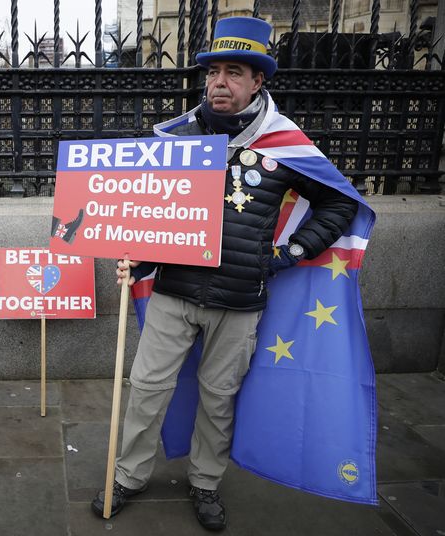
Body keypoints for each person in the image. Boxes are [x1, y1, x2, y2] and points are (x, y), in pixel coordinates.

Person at [90, 16, 359, 531]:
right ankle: (127, 475)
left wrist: (290, 252)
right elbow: (153, 217)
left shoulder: (285, 145)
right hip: (174, 291)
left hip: (240, 300)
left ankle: (206, 483)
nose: (219, 83)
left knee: (218, 399)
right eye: (213, 72)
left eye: (234, 73)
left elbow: (338, 204)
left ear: (258, 81)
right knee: (146, 387)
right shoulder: (177, 139)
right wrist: (139, 260)